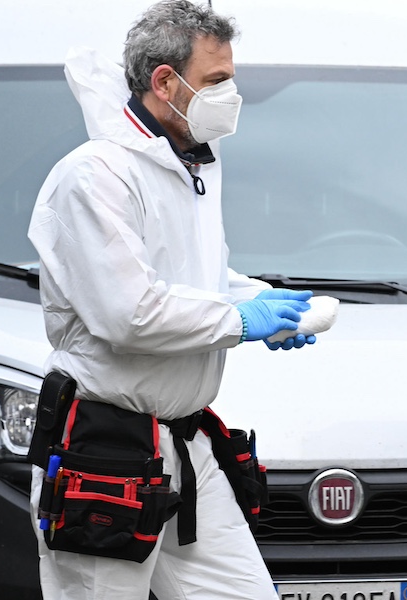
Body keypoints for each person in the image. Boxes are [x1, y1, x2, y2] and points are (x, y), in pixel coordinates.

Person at [26, 1, 316, 598]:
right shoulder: (96, 175)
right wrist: (239, 320)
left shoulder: (191, 165)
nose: (230, 95)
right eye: (216, 81)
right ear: (164, 81)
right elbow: (129, 313)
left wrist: (267, 304)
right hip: (103, 447)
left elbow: (194, 278)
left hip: (185, 444)